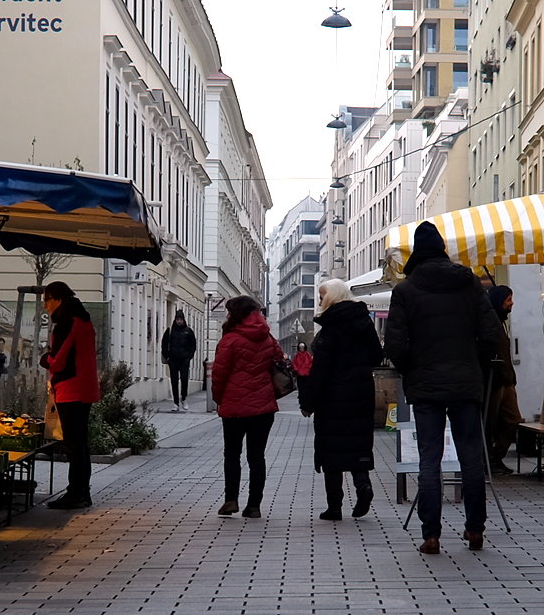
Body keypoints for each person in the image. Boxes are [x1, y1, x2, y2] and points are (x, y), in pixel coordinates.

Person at [384, 221, 499, 554]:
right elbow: (491, 333)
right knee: (471, 458)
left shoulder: (405, 291)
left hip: (426, 384)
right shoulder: (470, 284)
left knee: (429, 459)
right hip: (465, 381)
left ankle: (431, 535)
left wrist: (413, 369)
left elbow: (395, 343)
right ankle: (475, 529)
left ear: (416, 253)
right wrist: (473, 363)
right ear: (443, 249)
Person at [299, 279, 380, 519]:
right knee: (357, 444)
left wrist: (308, 403)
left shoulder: (330, 327)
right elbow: (376, 355)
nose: (320, 299)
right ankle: (363, 486)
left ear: (333, 297)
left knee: (331, 448)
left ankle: (334, 506)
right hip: (361, 393)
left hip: (332, 397)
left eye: (323, 295)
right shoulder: (364, 322)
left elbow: (320, 371)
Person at [209, 294, 284, 518]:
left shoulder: (230, 340)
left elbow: (219, 375)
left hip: (234, 407)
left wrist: (219, 398)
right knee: (257, 456)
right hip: (263, 407)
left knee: (232, 454)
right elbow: (279, 362)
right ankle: (254, 506)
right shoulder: (268, 338)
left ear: (236, 315)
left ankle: (231, 500)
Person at [41, 281, 97, 511]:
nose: (45, 306)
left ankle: (76, 493)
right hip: (85, 388)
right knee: (81, 444)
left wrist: (45, 359)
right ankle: (83, 491)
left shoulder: (67, 322)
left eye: (47, 300)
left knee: (73, 445)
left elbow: (59, 359)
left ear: (57, 299)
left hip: (70, 389)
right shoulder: (84, 319)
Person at [484, 284, 522, 473]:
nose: (511, 303)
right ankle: (488, 460)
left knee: (513, 419)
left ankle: (495, 456)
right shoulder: (489, 323)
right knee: (490, 422)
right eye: (508, 300)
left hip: (506, 380)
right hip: (494, 381)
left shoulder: (500, 322)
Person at [160, 310, 198, 407]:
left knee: (184, 379)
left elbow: (193, 345)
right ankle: (175, 402)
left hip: (184, 359)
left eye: (181, 319)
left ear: (184, 320)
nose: (179, 321)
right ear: (175, 320)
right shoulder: (170, 331)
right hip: (172, 359)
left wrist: (189, 357)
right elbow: (164, 344)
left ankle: (184, 398)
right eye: (178, 319)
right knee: (174, 380)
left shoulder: (188, 331)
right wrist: (167, 356)